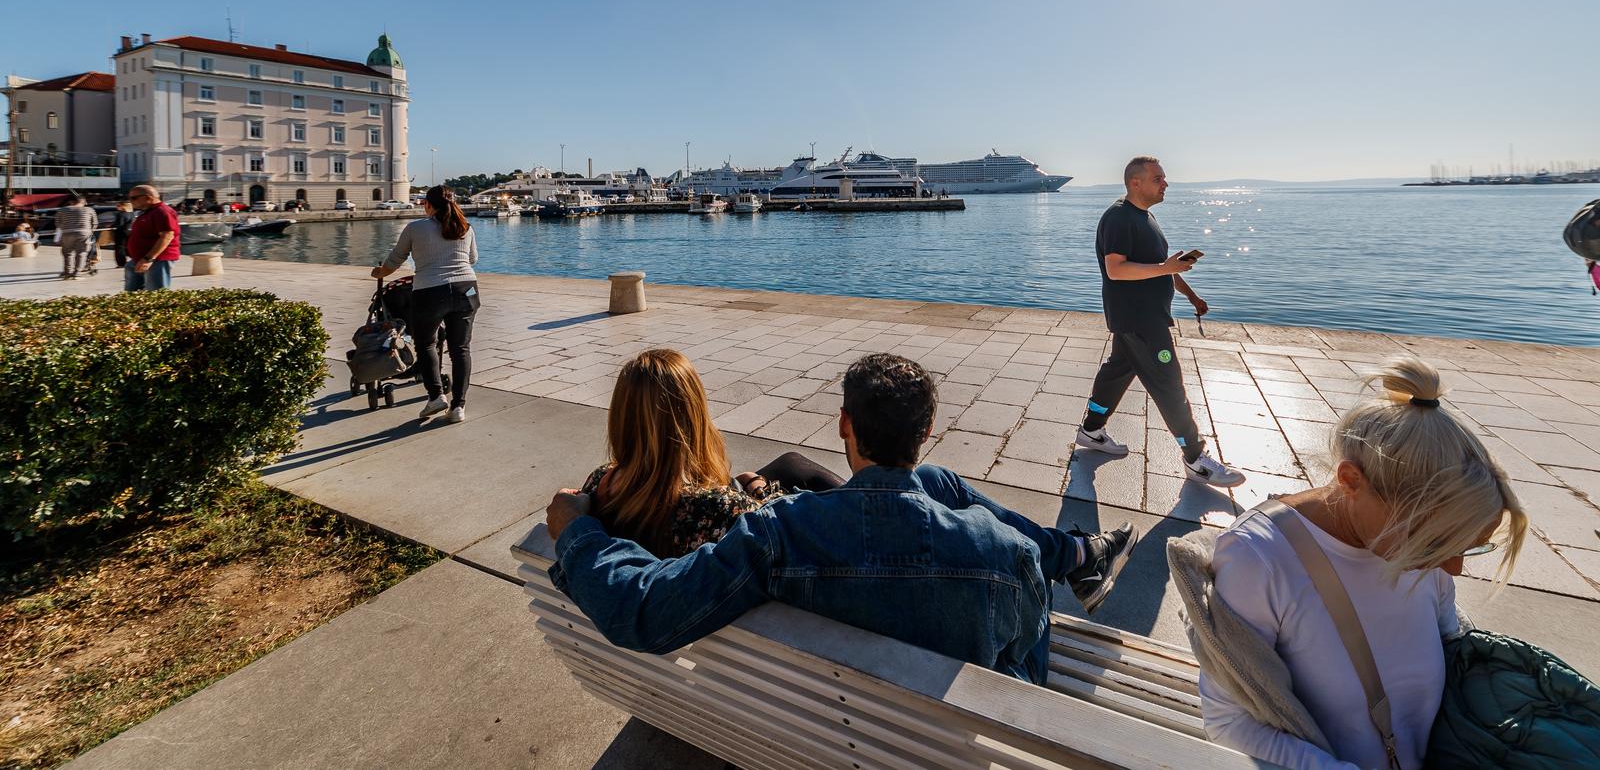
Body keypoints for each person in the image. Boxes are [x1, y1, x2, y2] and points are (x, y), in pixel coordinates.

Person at [545, 353, 1139, 684]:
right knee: (943, 490)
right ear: (928, 430)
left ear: (844, 425)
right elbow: (1024, 659)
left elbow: (645, 607)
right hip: (956, 729)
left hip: (801, 697)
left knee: (935, 483)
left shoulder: (775, 534)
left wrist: (577, 528)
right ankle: (1074, 556)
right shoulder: (1008, 555)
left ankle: (1077, 554)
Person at [1171, 356, 1526, 770]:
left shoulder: (1417, 553)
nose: (1452, 569)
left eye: (1466, 547)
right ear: (1351, 481)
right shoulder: (1260, 559)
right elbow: (1229, 722)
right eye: (1435, 542)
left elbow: (1457, 656)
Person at [1074, 156, 1247, 487]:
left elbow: (1160, 268)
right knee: (1169, 385)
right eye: (1158, 179)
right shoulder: (1119, 217)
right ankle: (1195, 458)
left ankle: (1092, 430)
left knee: (1116, 373)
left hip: (1141, 317)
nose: (1165, 183)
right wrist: (1165, 268)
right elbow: (1115, 269)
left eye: (1164, 178)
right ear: (1135, 182)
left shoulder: (1146, 217)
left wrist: (1191, 295)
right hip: (1140, 319)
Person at [581, 348, 845, 558]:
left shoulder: (599, 482)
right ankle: (863, 506)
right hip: (720, 595)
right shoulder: (717, 507)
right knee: (798, 469)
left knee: (789, 464)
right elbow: (780, 526)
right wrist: (756, 487)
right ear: (693, 417)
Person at [372, 184, 479, 423]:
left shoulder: (415, 228)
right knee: (460, 349)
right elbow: (472, 259)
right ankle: (458, 407)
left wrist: (380, 272)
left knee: (426, 343)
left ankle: (436, 396)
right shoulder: (466, 227)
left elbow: (396, 259)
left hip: (430, 291)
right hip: (467, 290)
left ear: (427, 204)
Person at [124, 185, 180, 291]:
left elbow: (167, 236)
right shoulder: (148, 212)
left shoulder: (162, 211)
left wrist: (148, 259)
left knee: (156, 293)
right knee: (132, 295)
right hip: (140, 259)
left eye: (133, 198)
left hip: (157, 260)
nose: (130, 201)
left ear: (148, 197)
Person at [55, 194, 97, 280]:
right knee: (81, 253)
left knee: (67, 253)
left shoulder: (62, 210)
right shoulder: (89, 210)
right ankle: (77, 274)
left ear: (71, 202)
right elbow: (95, 223)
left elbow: (57, 223)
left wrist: (65, 228)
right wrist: (89, 231)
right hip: (83, 233)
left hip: (67, 233)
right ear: (83, 201)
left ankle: (67, 273)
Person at [111, 200, 134, 267]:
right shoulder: (132, 214)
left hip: (121, 232)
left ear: (123, 206)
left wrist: (112, 226)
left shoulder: (121, 214)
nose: (117, 207)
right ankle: (135, 258)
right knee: (128, 246)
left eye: (118, 205)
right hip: (129, 232)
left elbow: (119, 224)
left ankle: (121, 263)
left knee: (119, 248)